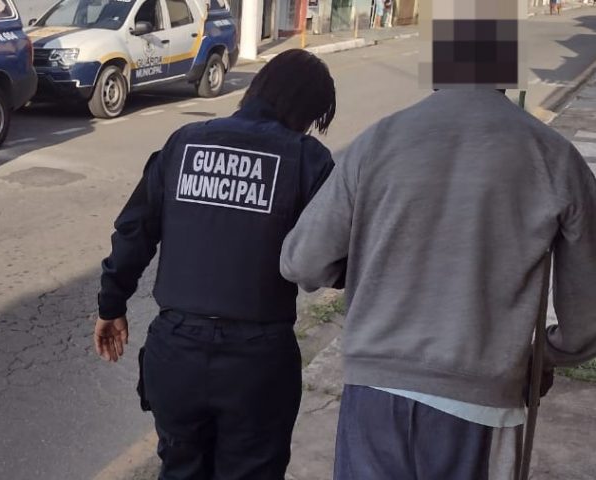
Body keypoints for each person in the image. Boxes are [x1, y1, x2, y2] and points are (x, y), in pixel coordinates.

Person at [280, 80, 596, 480]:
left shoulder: (379, 140)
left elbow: (302, 261)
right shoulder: (552, 155)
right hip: (478, 403)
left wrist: (365, 268)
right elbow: (586, 320)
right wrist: (547, 355)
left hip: (376, 395)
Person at [93, 49, 337, 479]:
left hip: (176, 353)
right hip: (258, 364)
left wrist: (111, 305)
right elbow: (329, 259)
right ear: (305, 110)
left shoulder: (184, 142)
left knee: (180, 468)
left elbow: (135, 230)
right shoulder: (307, 159)